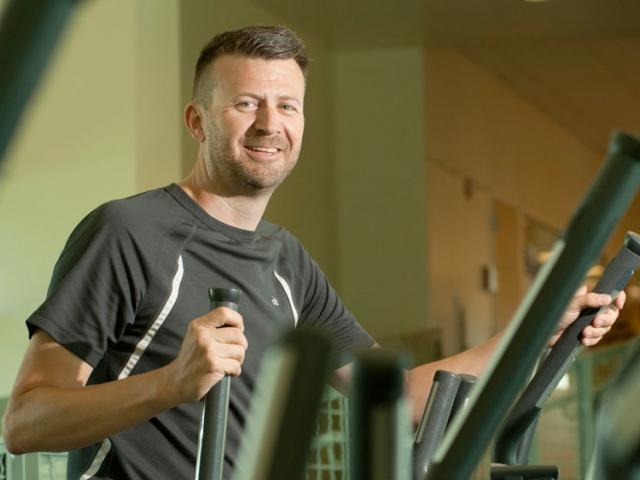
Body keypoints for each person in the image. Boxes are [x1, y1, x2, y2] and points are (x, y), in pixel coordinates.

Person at [1, 26, 624, 480]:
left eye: (288, 105)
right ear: (198, 121)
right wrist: (171, 384)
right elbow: (25, 422)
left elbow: (400, 398)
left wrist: (539, 329)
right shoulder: (129, 231)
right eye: (246, 103)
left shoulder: (287, 260)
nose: (270, 124)